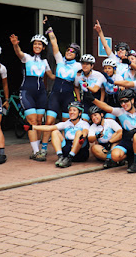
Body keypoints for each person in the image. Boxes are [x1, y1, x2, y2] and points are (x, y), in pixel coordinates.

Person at [40, 24, 82, 161]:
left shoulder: (78, 66)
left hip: (68, 97)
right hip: (55, 95)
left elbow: (77, 85)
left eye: (72, 51)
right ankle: (43, 149)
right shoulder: (60, 60)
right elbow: (54, 43)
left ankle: (65, 149)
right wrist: (50, 30)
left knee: (66, 124)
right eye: (68, 50)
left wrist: (79, 99)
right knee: (49, 121)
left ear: (76, 54)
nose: (69, 52)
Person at [10, 32, 54, 158]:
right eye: (35, 43)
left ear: (43, 47)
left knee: (40, 121)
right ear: (32, 45)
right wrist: (15, 45)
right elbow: (19, 53)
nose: (37, 46)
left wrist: (68, 77)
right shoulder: (27, 58)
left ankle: (38, 149)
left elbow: (51, 76)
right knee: (32, 121)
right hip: (27, 92)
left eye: (40, 44)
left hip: (41, 94)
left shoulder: (45, 61)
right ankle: (35, 151)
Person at [87, 89, 136, 173]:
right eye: (121, 102)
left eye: (125, 101)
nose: (123, 104)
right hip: (127, 140)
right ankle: (129, 157)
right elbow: (106, 107)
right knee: (115, 156)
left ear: (132, 100)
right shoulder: (120, 111)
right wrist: (93, 100)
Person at [26, 102, 90, 168]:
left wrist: (83, 137)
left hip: (80, 152)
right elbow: (49, 128)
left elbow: (85, 131)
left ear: (79, 113)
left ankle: (70, 157)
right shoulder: (66, 123)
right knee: (54, 132)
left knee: (79, 132)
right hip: (67, 152)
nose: (71, 112)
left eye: (74, 110)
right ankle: (60, 157)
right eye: (70, 110)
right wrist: (32, 127)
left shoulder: (84, 124)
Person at [75, 54, 106, 121]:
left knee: (96, 120)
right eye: (83, 64)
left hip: (97, 97)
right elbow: (76, 87)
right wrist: (78, 99)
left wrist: (101, 102)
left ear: (92, 66)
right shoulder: (79, 75)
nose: (84, 66)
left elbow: (97, 90)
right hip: (86, 98)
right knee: (84, 120)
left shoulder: (98, 75)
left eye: (87, 64)